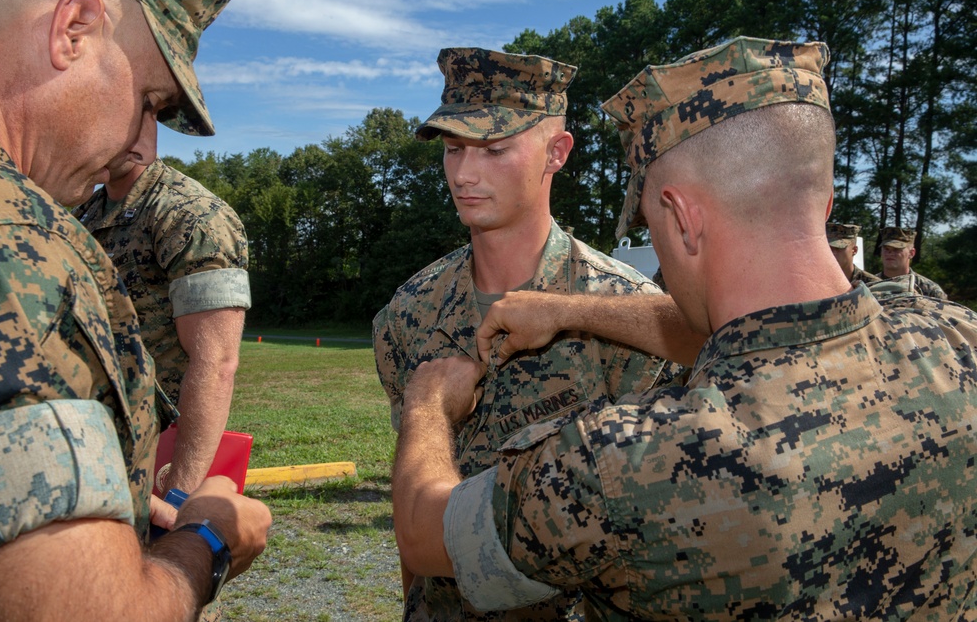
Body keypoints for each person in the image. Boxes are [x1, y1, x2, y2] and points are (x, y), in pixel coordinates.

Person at [391, 37, 977, 619]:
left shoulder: (624, 463)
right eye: (453, 149)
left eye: (651, 221)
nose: (466, 170)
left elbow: (422, 533)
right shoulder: (956, 341)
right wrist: (570, 310)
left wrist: (427, 408)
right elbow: (775, 328)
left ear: (683, 218)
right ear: (824, 205)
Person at [0, 0, 271, 619]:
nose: (133, 137)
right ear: (73, 29)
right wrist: (205, 536)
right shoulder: (12, 245)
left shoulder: (185, 215)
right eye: (147, 99)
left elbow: (216, 357)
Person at [373, 47, 669, 621]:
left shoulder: (627, 314)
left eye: (494, 149)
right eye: (453, 149)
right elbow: (411, 495)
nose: (463, 174)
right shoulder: (408, 315)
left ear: (556, 153)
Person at [74, 157, 250, 495]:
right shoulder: (86, 212)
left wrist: (179, 495)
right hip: (99, 444)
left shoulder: (193, 215)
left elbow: (216, 365)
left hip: (160, 447)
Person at [878, 226, 948, 299]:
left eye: (896, 249)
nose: (890, 253)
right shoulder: (868, 285)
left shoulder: (929, 290)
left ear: (911, 253)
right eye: (886, 249)